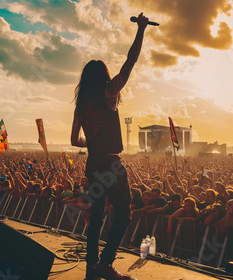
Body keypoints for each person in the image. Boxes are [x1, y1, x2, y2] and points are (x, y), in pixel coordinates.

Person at [70, 12, 149, 280]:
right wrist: (141, 29)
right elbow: (130, 61)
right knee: (124, 214)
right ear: (102, 77)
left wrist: (89, 141)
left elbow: (74, 141)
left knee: (96, 216)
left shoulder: (80, 105)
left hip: (93, 163)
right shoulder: (109, 92)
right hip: (111, 164)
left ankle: (91, 267)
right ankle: (106, 263)